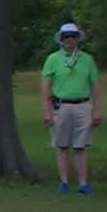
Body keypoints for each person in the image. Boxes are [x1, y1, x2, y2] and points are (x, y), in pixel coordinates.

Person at [40, 22, 102, 194]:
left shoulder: (87, 59)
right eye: (66, 37)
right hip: (61, 106)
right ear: (61, 39)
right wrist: (47, 111)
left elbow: (95, 85)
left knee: (81, 146)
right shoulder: (53, 59)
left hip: (82, 104)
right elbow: (46, 86)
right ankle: (64, 182)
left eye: (73, 36)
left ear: (77, 39)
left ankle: (83, 183)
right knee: (61, 146)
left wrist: (97, 110)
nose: (69, 40)